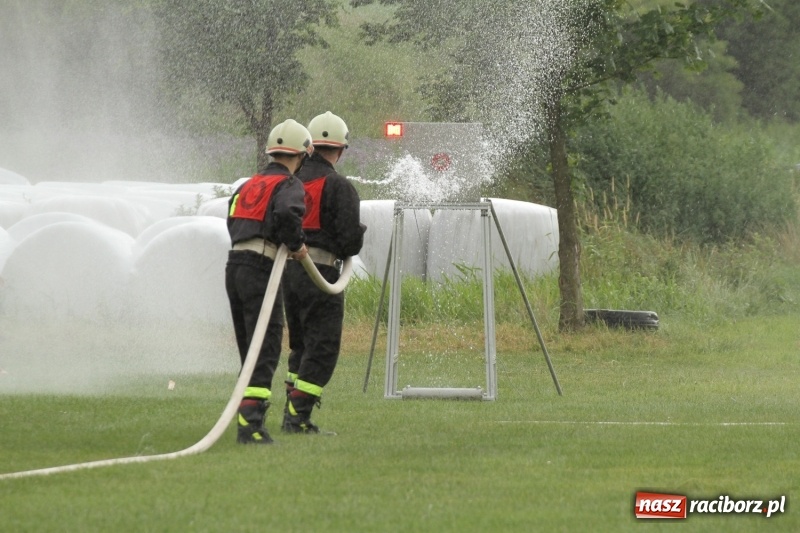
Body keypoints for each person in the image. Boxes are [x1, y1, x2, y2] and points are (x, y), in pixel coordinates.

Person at [225, 119, 312, 445]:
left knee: (249, 346)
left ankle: (246, 415)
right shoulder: (289, 185)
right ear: (302, 154)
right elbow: (289, 214)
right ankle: (251, 426)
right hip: (260, 267)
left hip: (234, 264)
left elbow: (232, 217)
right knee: (266, 345)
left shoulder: (247, 184)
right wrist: (295, 244)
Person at [281, 111, 366, 434]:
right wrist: (360, 231)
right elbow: (348, 241)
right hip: (321, 274)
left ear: (310, 147)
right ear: (341, 150)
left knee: (300, 344)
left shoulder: (293, 181)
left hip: (289, 272)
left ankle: (291, 411)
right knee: (323, 346)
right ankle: (297, 416)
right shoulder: (339, 186)